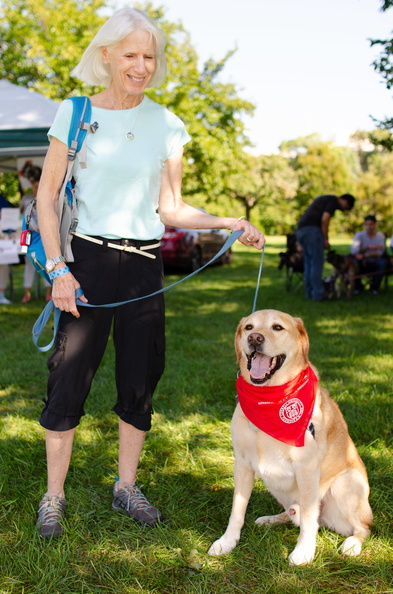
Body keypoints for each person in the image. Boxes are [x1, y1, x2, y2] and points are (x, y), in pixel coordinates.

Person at [34, 7, 265, 538]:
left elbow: (172, 208)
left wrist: (228, 221)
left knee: (141, 377)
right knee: (68, 376)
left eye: (149, 56)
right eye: (131, 55)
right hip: (85, 262)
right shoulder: (74, 112)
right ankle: (53, 496)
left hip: (143, 264)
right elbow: (47, 198)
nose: (140, 66)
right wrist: (58, 268)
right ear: (108, 55)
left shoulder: (167, 123)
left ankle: (126, 486)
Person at [296, 193, 355, 301]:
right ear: (345, 201)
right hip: (312, 232)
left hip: (301, 230)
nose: (343, 209)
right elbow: (325, 219)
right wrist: (326, 239)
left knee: (309, 263)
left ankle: (309, 293)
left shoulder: (324, 198)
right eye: (346, 208)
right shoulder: (333, 201)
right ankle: (318, 294)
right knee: (317, 263)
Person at [19, 165, 52, 303]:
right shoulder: (26, 198)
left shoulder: (49, 197)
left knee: (48, 262)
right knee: (30, 264)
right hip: (30, 235)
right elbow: (21, 214)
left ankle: (49, 292)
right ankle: (27, 292)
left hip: (45, 234)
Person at [350, 215, 388, 295]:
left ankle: (374, 288)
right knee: (355, 262)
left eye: (371, 224)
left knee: (383, 262)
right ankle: (358, 287)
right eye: (367, 224)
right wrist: (372, 247)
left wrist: (365, 253)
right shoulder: (359, 235)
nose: (369, 227)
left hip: (375, 261)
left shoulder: (380, 236)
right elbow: (354, 251)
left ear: (375, 224)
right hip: (362, 262)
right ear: (364, 225)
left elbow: (380, 252)